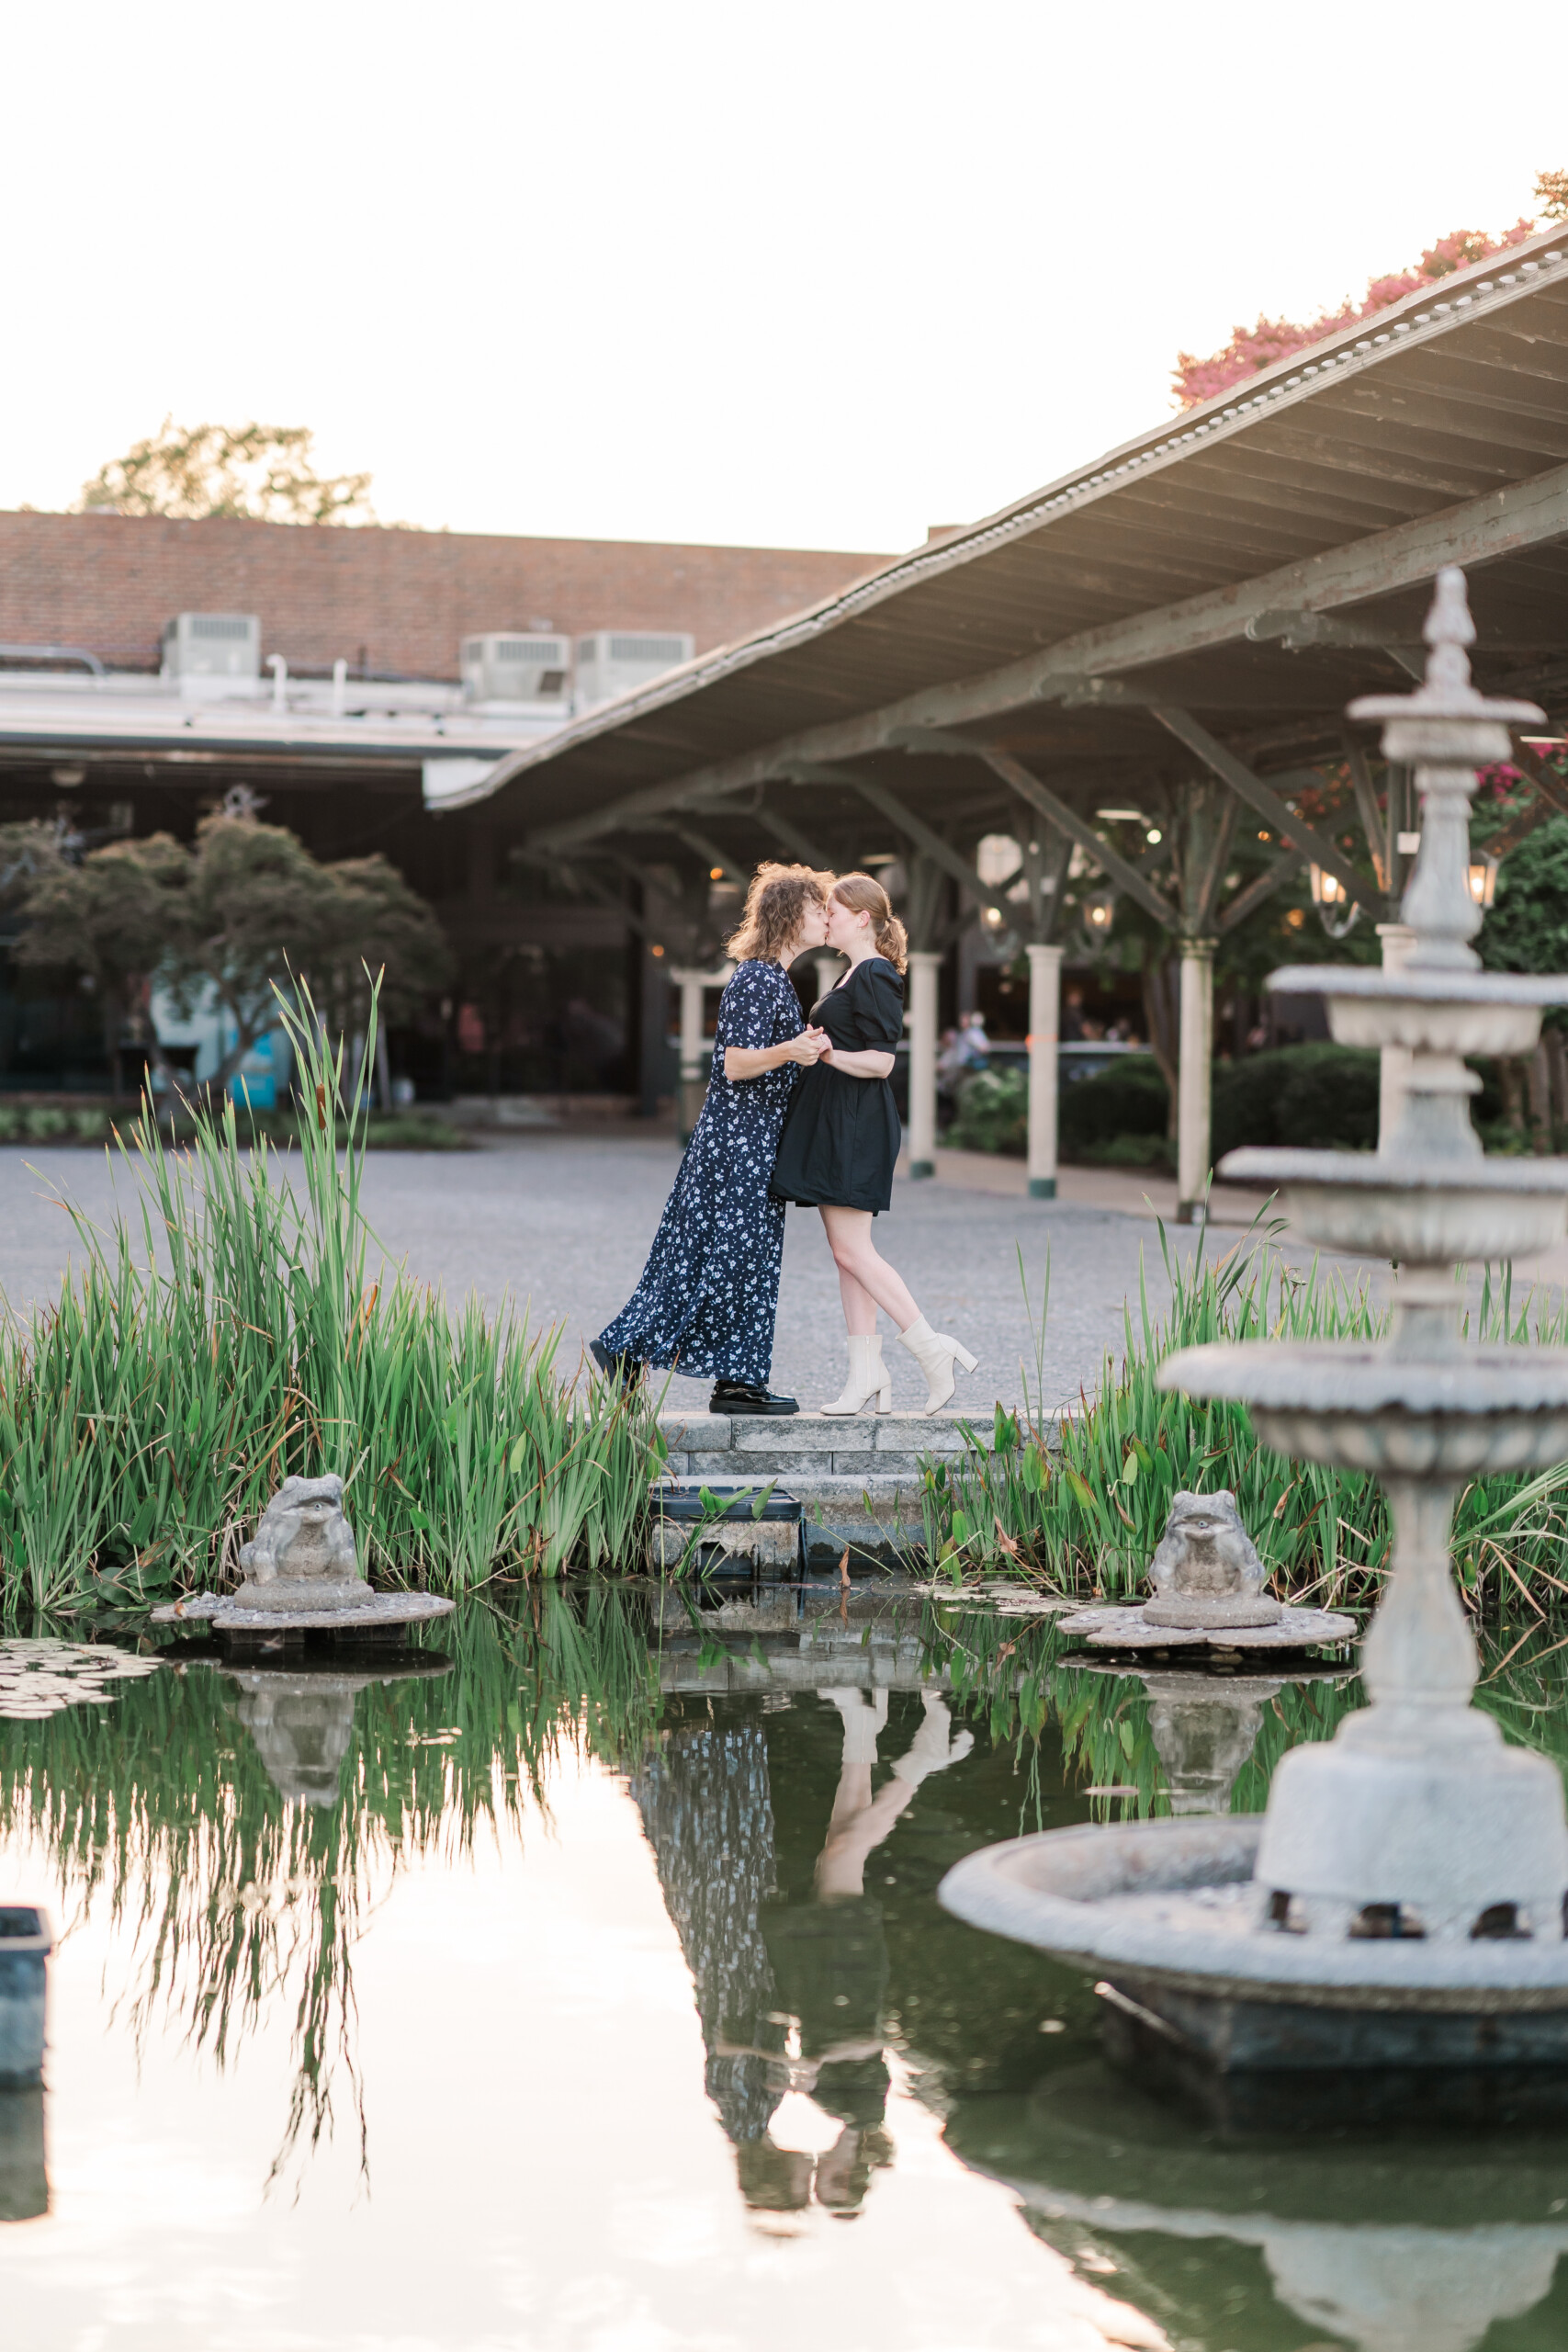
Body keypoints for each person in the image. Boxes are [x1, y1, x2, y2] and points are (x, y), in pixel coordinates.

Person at [592, 862, 829, 1415]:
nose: (826, 917)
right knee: (722, 1257)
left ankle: (735, 1380)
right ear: (791, 914)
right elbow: (735, 1065)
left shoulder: (770, 978)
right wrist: (792, 1051)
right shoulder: (758, 977)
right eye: (818, 908)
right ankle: (638, 1349)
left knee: (730, 1258)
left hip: (747, 1141)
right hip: (737, 1144)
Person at [769, 872, 979, 1417]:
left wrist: (829, 1054)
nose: (826, 917)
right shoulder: (851, 974)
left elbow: (883, 1062)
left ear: (861, 917)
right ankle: (867, 1375)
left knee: (853, 1251)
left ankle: (933, 1349)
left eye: (833, 911)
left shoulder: (877, 973)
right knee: (847, 1258)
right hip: (837, 1118)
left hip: (856, 1121)